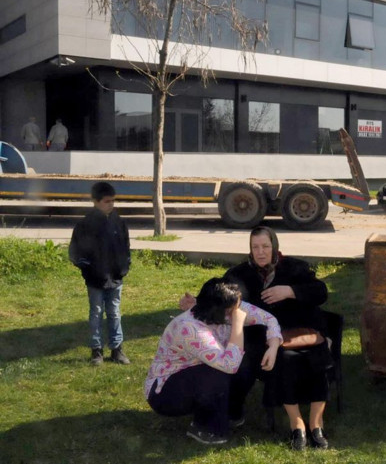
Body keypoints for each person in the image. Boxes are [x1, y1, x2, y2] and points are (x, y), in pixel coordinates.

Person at [179, 226, 332, 450]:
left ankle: (314, 423)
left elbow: (320, 292)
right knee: (263, 361)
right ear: (250, 249)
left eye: (265, 246)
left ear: (275, 246)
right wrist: (197, 304)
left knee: (308, 357)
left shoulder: (294, 268)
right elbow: (220, 296)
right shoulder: (238, 274)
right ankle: (273, 417)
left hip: (298, 332)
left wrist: (290, 291)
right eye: (255, 247)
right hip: (258, 337)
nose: (260, 252)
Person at [145, 278, 282, 445]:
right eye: (233, 310)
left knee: (247, 360)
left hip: (201, 372)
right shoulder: (190, 328)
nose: (238, 312)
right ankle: (206, 427)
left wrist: (273, 346)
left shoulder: (227, 306)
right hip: (165, 392)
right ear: (218, 310)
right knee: (219, 373)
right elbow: (229, 365)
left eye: (238, 307)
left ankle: (231, 412)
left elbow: (269, 319)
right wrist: (238, 325)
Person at [69, 181, 131, 365]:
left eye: (113, 201)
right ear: (95, 201)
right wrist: (87, 268)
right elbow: (75, 252)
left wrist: (124, 266)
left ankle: (117, 349)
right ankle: (96, 351)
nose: (111, 204)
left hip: (115, 278)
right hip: (95, 279)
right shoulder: (85, 224)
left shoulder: (118, 222)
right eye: (106, 201)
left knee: (114, 312)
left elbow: (126, 247)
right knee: (96, 313)